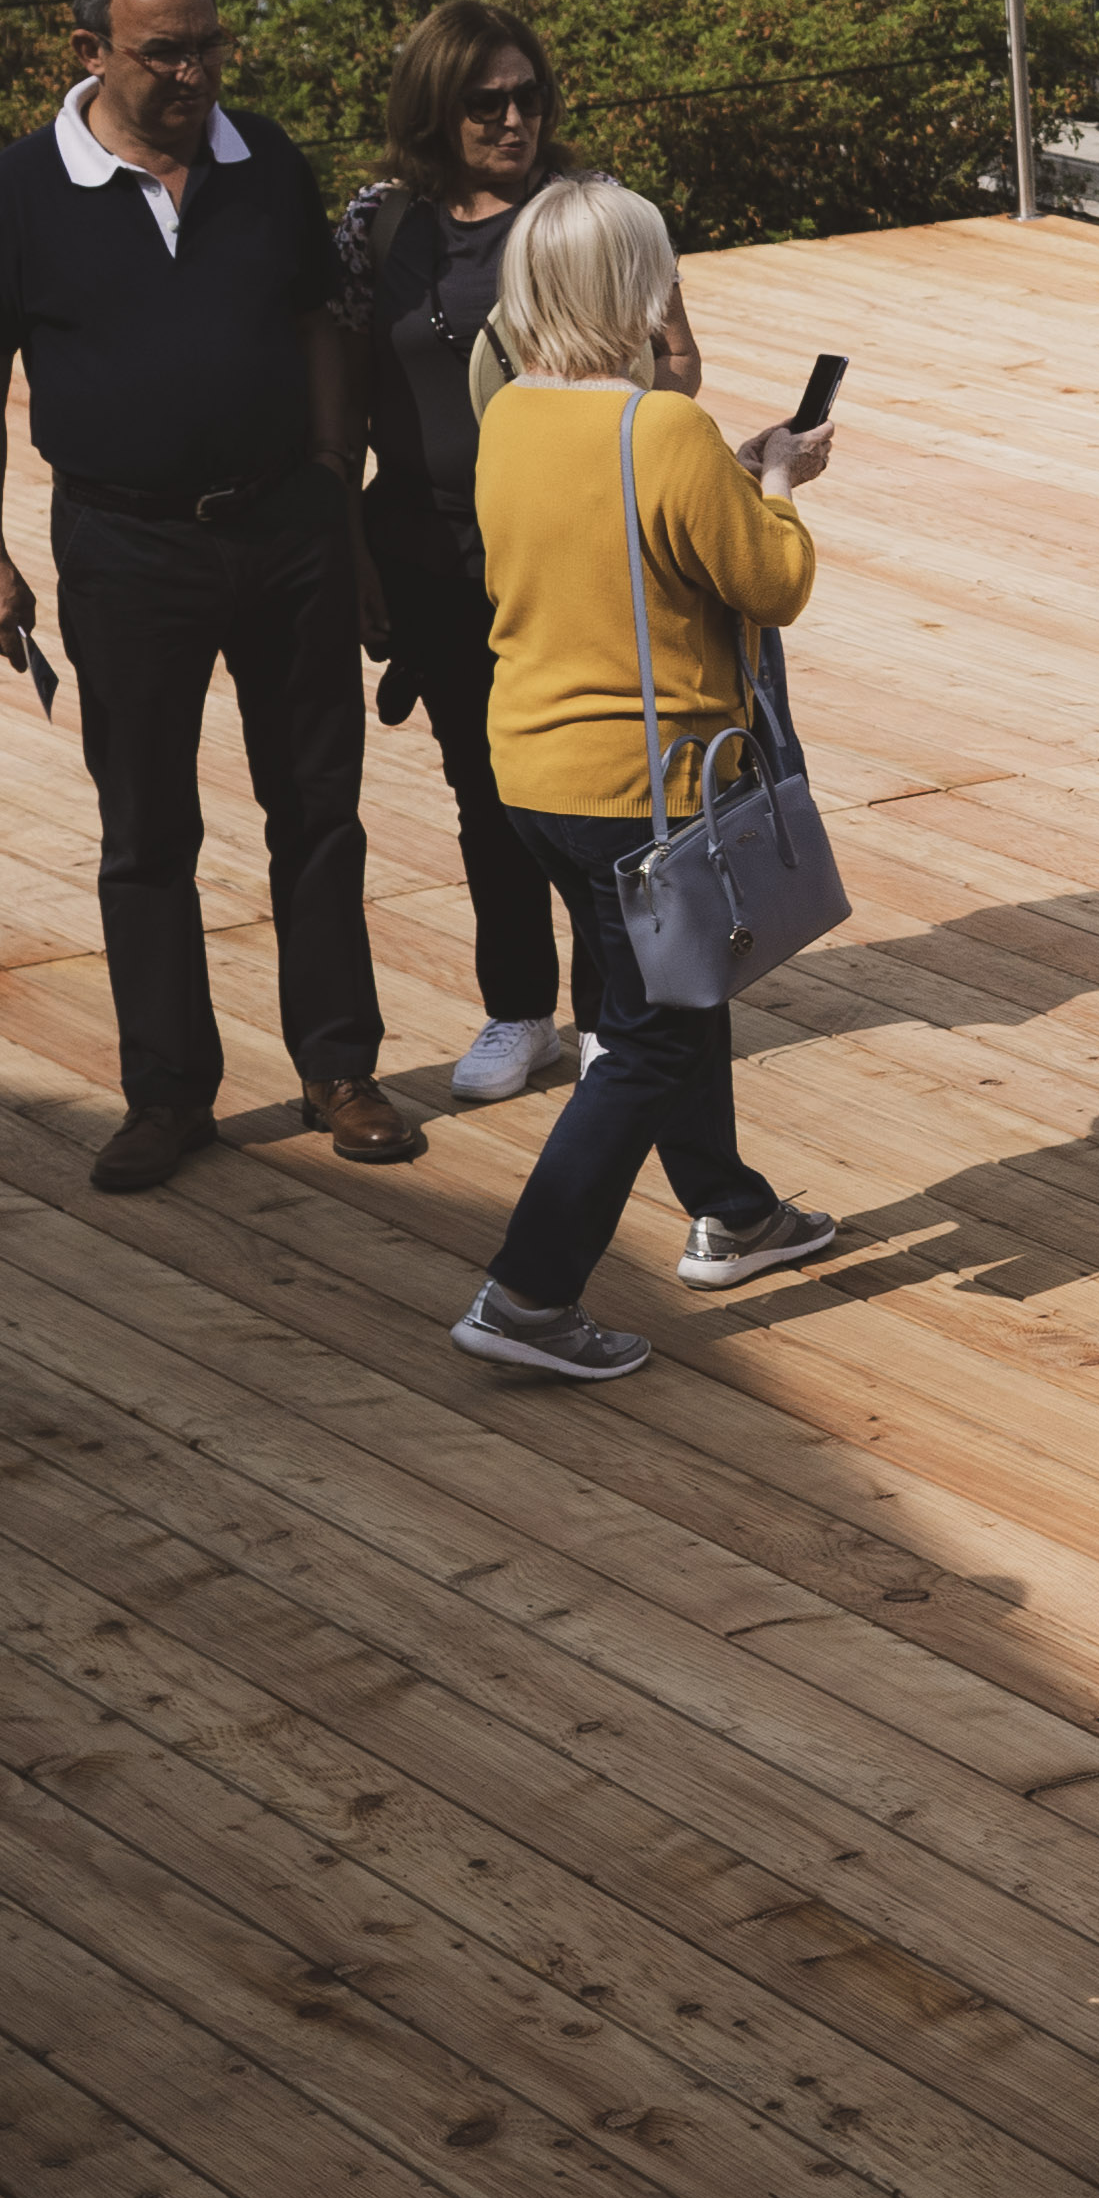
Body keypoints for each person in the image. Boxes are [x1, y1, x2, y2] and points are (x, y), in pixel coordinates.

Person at [0, 0, 408, 1192]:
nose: (195, 73)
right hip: (124, 544)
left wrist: (336, 488)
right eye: (165, 53)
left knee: (318, 807)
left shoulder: (267, 164)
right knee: (145, 825)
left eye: (208, 46)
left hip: (287, 528)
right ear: (90, 50)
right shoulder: (21, 190)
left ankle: (340, 1068)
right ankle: (167, 1094)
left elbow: (320, 327)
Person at [448, 176, 841, 1385]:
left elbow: (606, 531)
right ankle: (528, 1293)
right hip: (646, 788)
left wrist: (722, 463)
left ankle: (734, 1211)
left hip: (534, 774)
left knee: (678, 979)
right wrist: (777, 481)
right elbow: (773, 583)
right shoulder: (662, 431)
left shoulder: (506, 414)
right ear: (638, 287)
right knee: (646, 1044)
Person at [344, 0, 581, 1110]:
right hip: (429, 550)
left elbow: (665, 360)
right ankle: (521, 1007)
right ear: (437, 108)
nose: (513, 120)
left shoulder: (585, 212)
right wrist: (350, 542)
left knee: (589, 782)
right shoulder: (379, 226)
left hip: (565, 549)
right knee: (484, 791)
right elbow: (344, 383)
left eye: (529, 97)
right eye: (487, 103)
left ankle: (617, 1010)